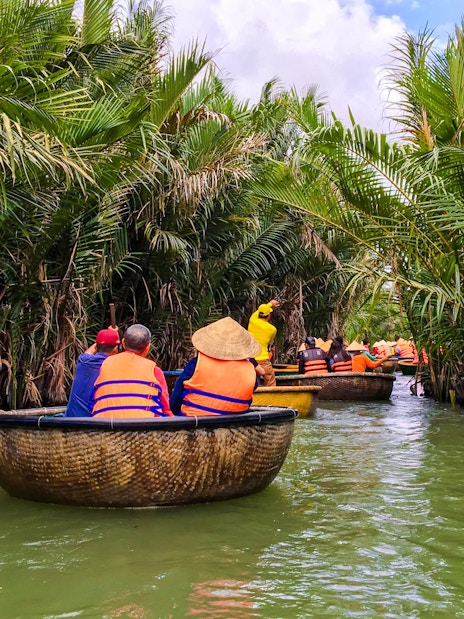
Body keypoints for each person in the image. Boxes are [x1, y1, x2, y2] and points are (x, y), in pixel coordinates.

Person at [170, 316, 261, 416]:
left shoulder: (196, 364)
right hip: (235, 423)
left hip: (194, 420)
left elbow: (176, 398)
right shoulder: (250, 369)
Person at [91, 323, 172, 418]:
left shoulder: (106, 363)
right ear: (148, 348)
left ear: (123, 343)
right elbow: (165, 408)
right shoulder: (154, 370)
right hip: (142, 428)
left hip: (105, 427)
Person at [65, 328, 120, 417]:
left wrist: (107, 337)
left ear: (97, 346)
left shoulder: (84, 361)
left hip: (71, 418)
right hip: (94, 420)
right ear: (115, 349)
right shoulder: (115, 366)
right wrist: (113, 335)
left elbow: (91, 350)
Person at [247, 299, 279, 386]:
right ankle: (271, 397)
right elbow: (269, 342)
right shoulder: (272, 329)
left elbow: (258, 312)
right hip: (263, 359)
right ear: (268, 315)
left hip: (251, 358)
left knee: (253, 379)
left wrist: (270, 304)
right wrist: (271, 304)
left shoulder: (252, 320)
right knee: (270, 379)